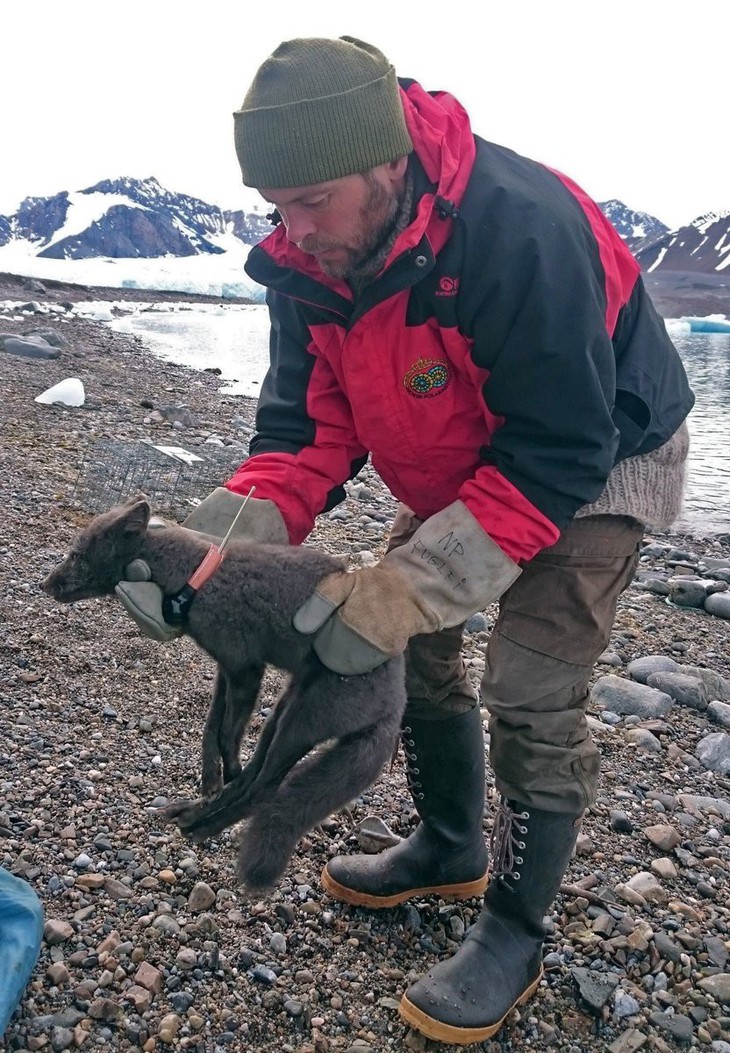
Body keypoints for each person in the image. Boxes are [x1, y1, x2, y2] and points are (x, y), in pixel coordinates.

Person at [118, 36, 694, 1045]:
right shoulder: (309, 259)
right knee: (406, 646)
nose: (294, 232)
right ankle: (448, 841)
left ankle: (514, 930)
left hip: (599, 450)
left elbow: (559, 449)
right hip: (462, 454)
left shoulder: (520, 233)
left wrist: (412, 582)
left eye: (314, 202)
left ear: (387, 164)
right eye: (275, 208)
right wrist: (205, 551)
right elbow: (304, 431)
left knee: (532, 688)